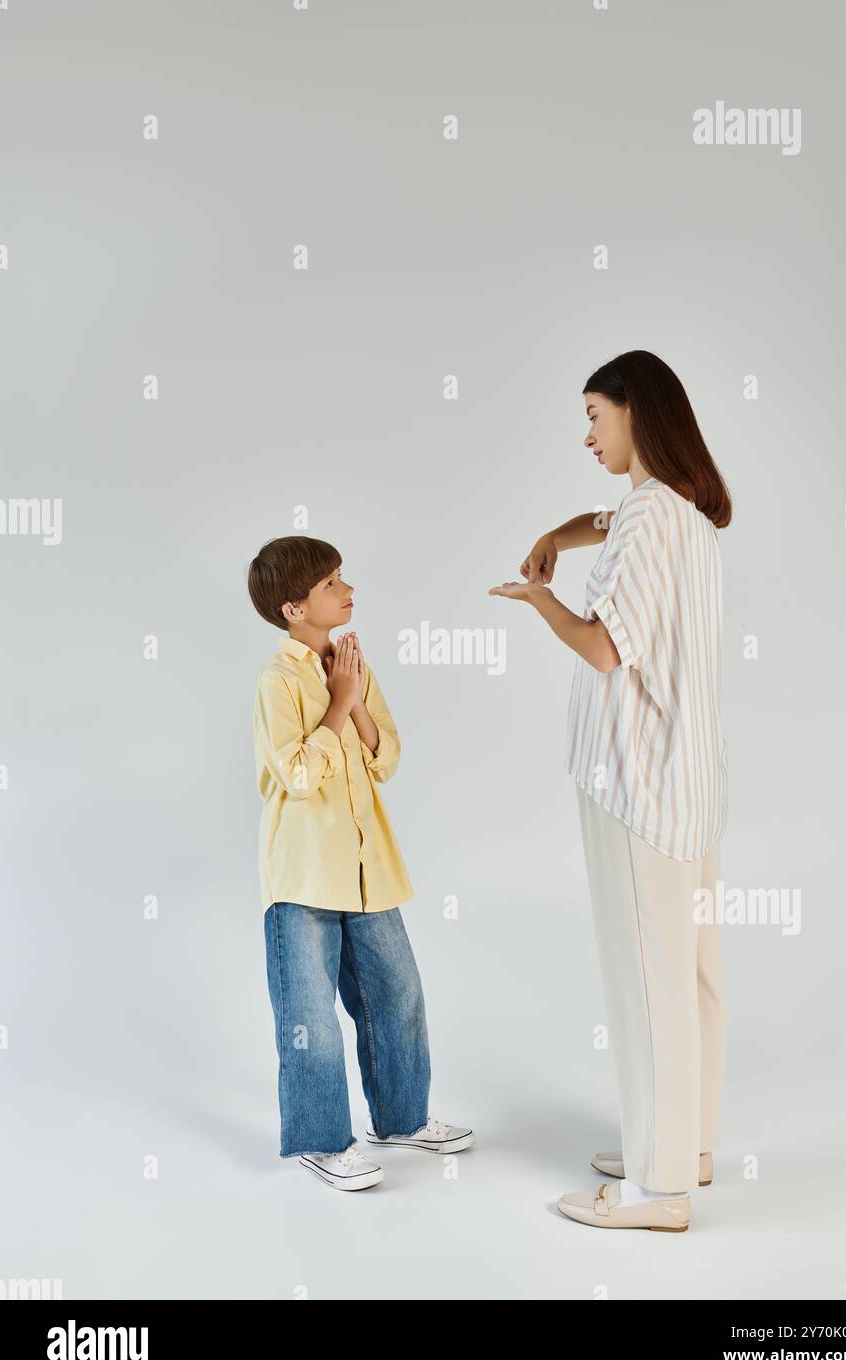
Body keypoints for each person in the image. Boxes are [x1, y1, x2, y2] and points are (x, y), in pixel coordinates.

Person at [489, 349, 732, 1232]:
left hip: (636, 783)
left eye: (595, 413)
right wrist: (560, 533)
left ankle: (657, 1191)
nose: (585, 432)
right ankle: (687, 1145)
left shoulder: (646, 523)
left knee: (647, 977)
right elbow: (610, 518)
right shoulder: (684, 515)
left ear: (638, 413)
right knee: (693, 973)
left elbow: (602, 646)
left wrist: (534, 598)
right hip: (691, 780)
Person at [247, 535, 475, 1192]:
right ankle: (321, 1139)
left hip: (368, 865)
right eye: (330, 584)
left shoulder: (353, 665)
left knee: (396, 995)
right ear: (294, 607)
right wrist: (340, 700)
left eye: (342, 578)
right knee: (309, 1015)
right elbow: (294, 774)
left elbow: (387, 757)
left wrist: (351, 690)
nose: (347, 591)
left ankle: (400, 1119)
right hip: (302, 872)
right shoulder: (278, 681)